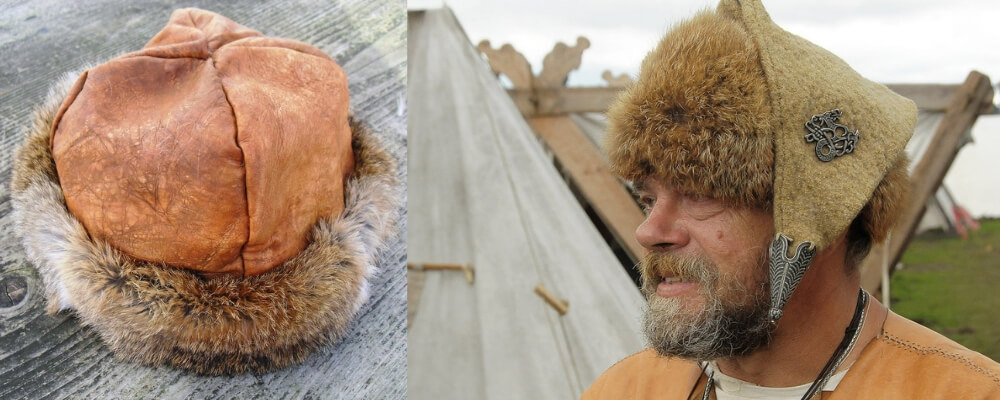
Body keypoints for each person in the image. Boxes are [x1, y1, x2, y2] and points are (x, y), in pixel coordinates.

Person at [583, 0, 1000, 398]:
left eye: (700, 195)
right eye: (647, 198)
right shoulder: (623, 391)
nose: (649, 230)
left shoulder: (966, 392)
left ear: (826, 215)